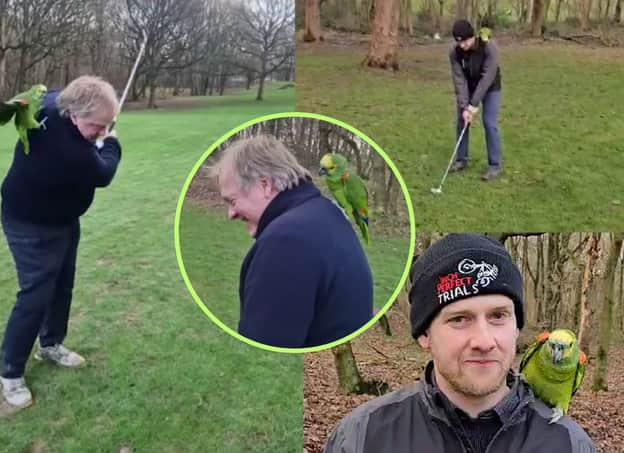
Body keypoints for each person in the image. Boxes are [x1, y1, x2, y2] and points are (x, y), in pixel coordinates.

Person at [324, 234, 596, 452]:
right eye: (459, 319)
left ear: (516, 328)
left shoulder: (570, 443)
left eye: (498, 316)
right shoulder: (362, 436)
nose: (484, 341)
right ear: (424, 335)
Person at [0, 76, 122, 409]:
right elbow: (103, 173)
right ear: (74, 114)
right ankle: (9, 373)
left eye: (106, 126)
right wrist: (112, 141)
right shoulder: (69, 149)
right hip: (29, 222)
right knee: (35, 294)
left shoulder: (52, 102)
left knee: (62, 284)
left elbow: (42, 95)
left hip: (62, 218)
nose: (100, 131)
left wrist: (99, 127)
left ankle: (51, 344)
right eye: (96, 126)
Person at [209, 135, 373, 348]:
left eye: (232, 201)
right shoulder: (325, 212)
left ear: (265, 185)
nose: (230, 214)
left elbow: (263, 355)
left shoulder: (285, 243)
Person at [449, 20, 503, 181]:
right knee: (462, 121)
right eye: (459, 42)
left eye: (465, 41)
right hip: (469, 87)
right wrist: (465, 106)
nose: (462, 45)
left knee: (489, 123)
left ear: (472, 36)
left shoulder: (488, 47)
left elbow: (487, 77)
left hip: (491, 87)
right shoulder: (455, 53)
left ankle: (495, 165)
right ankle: (461, 160)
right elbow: (460, 80)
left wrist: (473, 105)